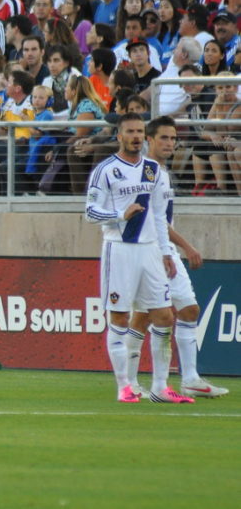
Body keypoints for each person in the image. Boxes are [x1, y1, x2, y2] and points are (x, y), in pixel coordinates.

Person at [84, 112, 194, 404]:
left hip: (150, 252)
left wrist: (167, 253)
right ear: (119, 136)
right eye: (130, 131)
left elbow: (159, 216)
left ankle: (160, 386)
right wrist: (121, 214)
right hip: (118, 249)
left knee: (164, 316)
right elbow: (91, 212)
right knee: (119, 317)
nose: (135, 136)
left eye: (139, 131)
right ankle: (124, 386)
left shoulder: (153, 170)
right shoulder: (106, 170)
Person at [124, 117, 229, 400]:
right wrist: (185, 247)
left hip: (165, 251)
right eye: (164, 138)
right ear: (149, 139)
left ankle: (191, 379)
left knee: (189, 310)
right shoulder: (144, 173)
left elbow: (162, 219)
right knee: (145, 316)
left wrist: (175, 249)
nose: (170, 143)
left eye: (173, 138)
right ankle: (130, 384)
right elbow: (150, 220)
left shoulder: (162, 172)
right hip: (148, 252)